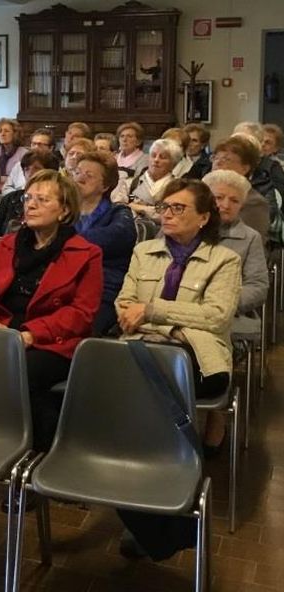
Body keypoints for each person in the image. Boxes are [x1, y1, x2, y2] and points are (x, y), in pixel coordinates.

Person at [114, 178, 241, 561]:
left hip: (200, 360)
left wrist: (154, 313)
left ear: (204, 217)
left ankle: (159, 515)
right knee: (122, 414)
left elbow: (216, 317)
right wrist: (164, 320)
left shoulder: (224, 260)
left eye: (178, 208)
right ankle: (162, 521)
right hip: (142, 352)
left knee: (128, 418)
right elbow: (124, 302)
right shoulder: (144, 251)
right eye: (164, 207)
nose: (166, 214)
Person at [0, 169, 103, 452]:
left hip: (52, 342)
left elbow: (81, 314)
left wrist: (30, 335)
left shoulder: (87, 253)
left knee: (21, 371)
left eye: (42, 200)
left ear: (65, 210)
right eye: (28, 197)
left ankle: (29, 452)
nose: (29, 205)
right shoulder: (8, 245)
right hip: (2, 332)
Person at [73, 151, 136, 334]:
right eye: (77, 172)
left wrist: (66, 241)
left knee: (79, 332)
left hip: (103, 291)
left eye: (89, 175)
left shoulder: (118, 213)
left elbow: (118, 235)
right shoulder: (65, 212)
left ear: (106, 185)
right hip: (66, 287)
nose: (80, 179)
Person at [205, 168, 268, 331]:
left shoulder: (250, 237)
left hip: (231, 315)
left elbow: (257, 286)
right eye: (219, 198)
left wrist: (223, 303)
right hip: (182, 309)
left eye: (235, 201)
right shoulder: (185, 229)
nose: (225, 205)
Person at [210, 135, 272, 241]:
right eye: (215, 158)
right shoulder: (203, 193)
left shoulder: (254, 202)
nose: (218, 163)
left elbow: (248, 243)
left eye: (226, 159)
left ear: (245, 169)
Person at [0, 151, 60, 236]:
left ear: (50, 172)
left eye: (37, 168)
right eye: (27, 169)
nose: (30, 173)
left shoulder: (56, 199)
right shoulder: (10, 198)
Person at [127, 138, 182, 217]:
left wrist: (142, 208)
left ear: (173, 163)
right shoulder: (131, 183)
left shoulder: (179, 186)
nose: (156, 160)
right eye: (153, 155)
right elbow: (121, 209)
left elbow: (174, 215)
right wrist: (157, 210)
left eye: (162, 157)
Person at [1, 128, 56, 194]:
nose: (36, 147)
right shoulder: (19, 165)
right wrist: (19, 196)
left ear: (51, 148)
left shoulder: (53, 166)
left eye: (40, 144)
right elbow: (6, 188)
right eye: (33, 144)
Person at [0, 118, 28, 192]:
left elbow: (23, 178)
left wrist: (3, 180)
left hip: (14, 191)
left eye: (6, 131)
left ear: (15, 134)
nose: (2, 134)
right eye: (0, 131)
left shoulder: (24, 153)